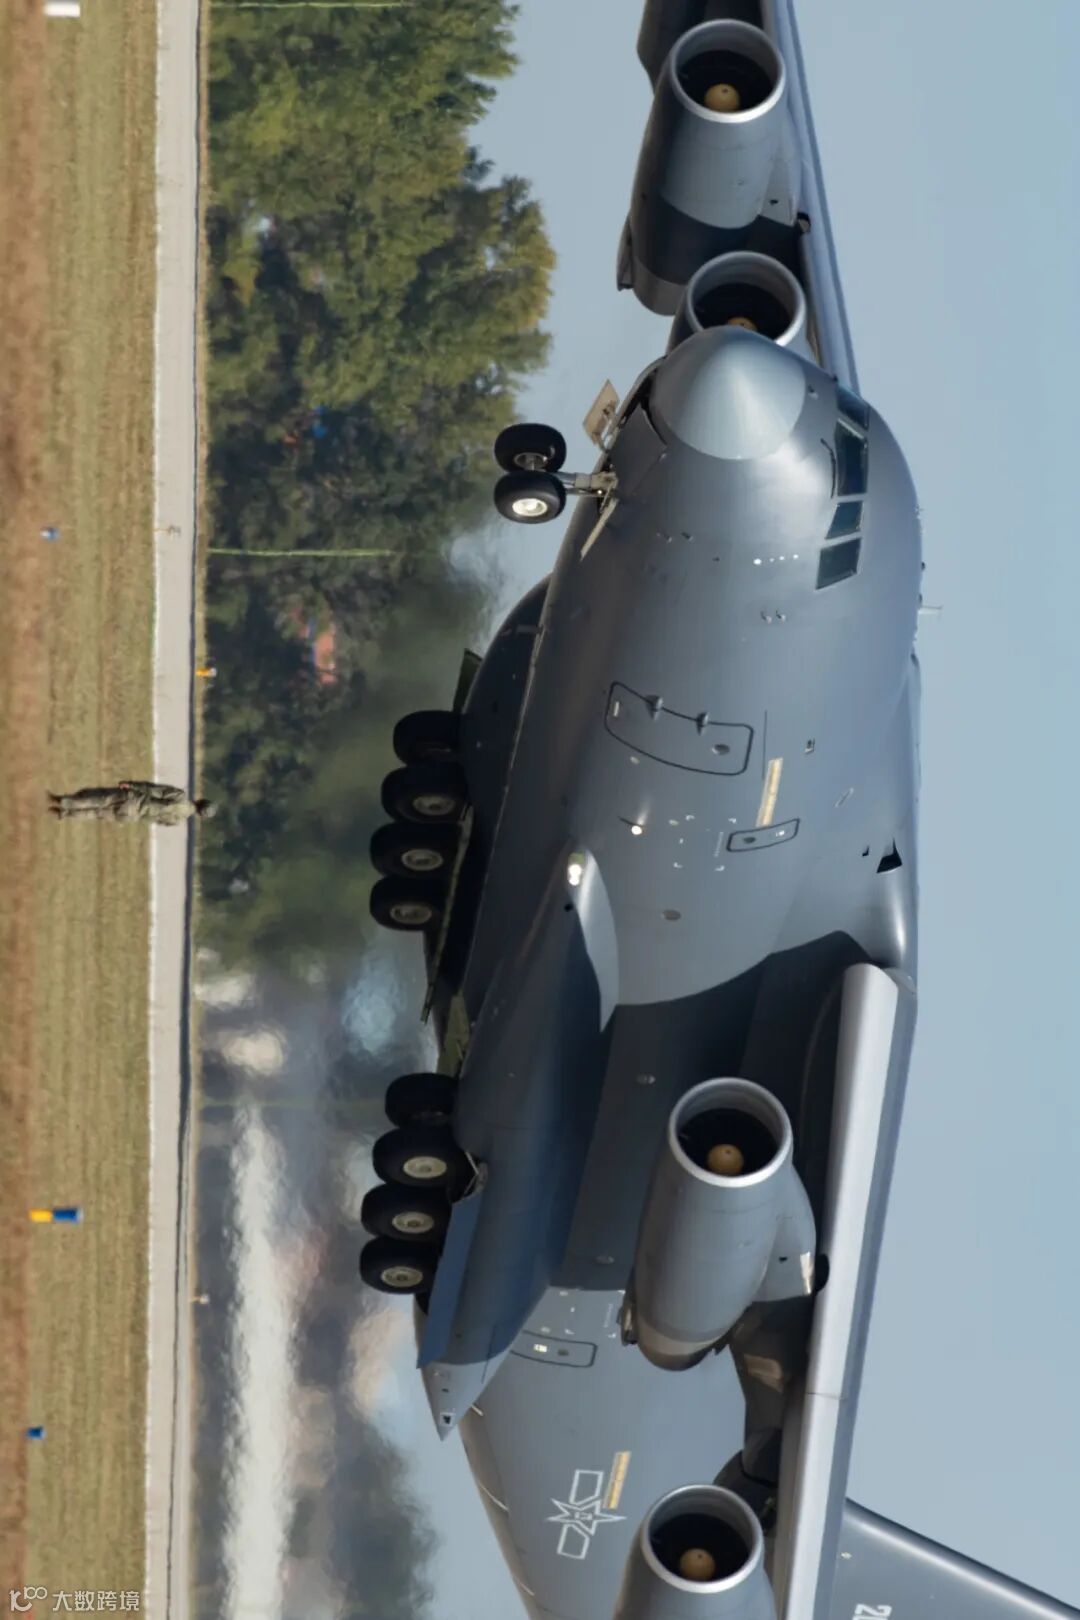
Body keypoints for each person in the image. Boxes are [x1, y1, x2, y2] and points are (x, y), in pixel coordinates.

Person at [47, 781, 217, 826]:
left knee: (97, 800)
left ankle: (62, 801)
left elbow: (153, 790)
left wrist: (131, 785)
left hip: (132, 800)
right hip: (132, 816)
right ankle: (63, 813)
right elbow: (153, 820)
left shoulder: (180, 796)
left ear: (201, 801)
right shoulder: (177, 821)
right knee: (95, 814)